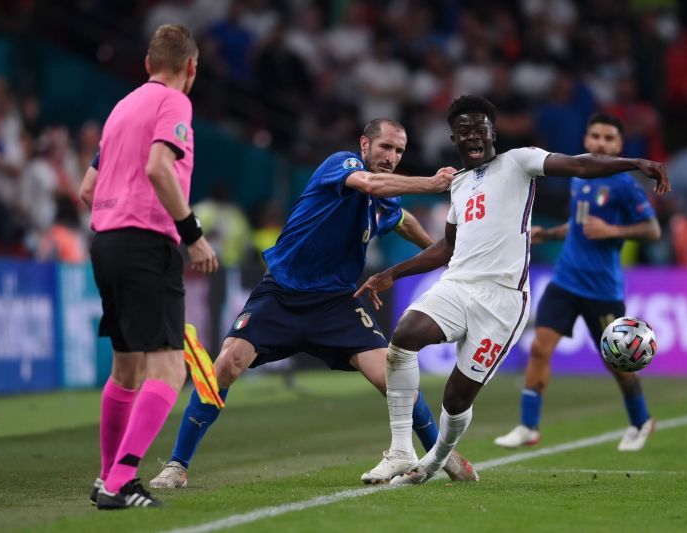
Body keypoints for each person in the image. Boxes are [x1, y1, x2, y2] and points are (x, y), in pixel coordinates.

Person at [149, 118, 478, 490]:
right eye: (385, 147)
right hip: (281, 295)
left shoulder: (387, 200)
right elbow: (370, 183)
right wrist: (432, 183)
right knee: (225, 365)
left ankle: (440, 453)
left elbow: (403, 220)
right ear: (364, 145)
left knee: (394, 377)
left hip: (335, 304)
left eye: (399, 151)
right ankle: (177, 465)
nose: (391, 157)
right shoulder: (342, 165)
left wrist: (445, 257)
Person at [356, 95, 669, 485]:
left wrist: (635, 162)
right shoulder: (458, 184)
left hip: (503, 302)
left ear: (492, 132)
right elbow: (448, 248)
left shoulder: (518, 162)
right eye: (464, 130)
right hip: (457, 285)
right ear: (454, 138)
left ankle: (436, 461)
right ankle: (402, 450)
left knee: (455, 400)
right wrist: (393, 273)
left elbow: (579, 163)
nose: (473, 135)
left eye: (480, 127)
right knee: (404, 336)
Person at [78, 24, 218, 509]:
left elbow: (86, 189)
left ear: (146, 64)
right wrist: (193, 234)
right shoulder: (174, 102)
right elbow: (160, 166)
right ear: (191, 67)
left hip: (107, 243)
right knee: (169, 369)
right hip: (144, 243)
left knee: (126, 371)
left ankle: (105, 478)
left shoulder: (121, 108)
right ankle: (120, 479)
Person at [493, 112, 662, 453]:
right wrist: (551, 233)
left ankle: (641, 420)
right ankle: (528, 425)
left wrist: (614, 231)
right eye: (595, 136)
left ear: (619, 145)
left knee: (617, 363)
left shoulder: (625, 185)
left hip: (601, 289)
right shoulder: (579, 177)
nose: (600, 143)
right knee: (540, 347)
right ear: (586, 141)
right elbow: (580, 224)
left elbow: (652, 230)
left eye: (608, 138)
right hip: (565, 280)